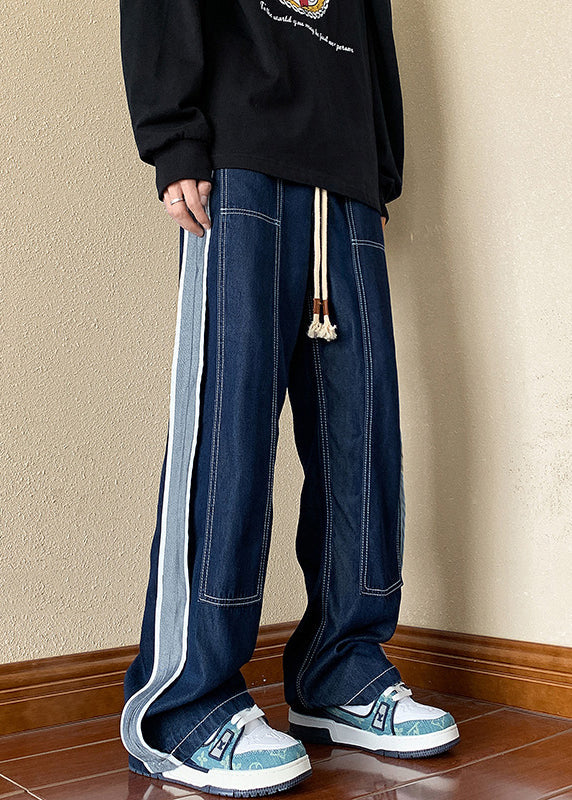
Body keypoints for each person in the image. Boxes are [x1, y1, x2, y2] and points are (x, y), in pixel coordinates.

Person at [117, 0, 460, 795]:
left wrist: (378, 169)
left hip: (345, 173)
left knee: (364, 430)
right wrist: (175, 138)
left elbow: (371, 26)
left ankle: (341, 667)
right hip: (236, 156)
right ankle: (185, 700)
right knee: (229, 428)